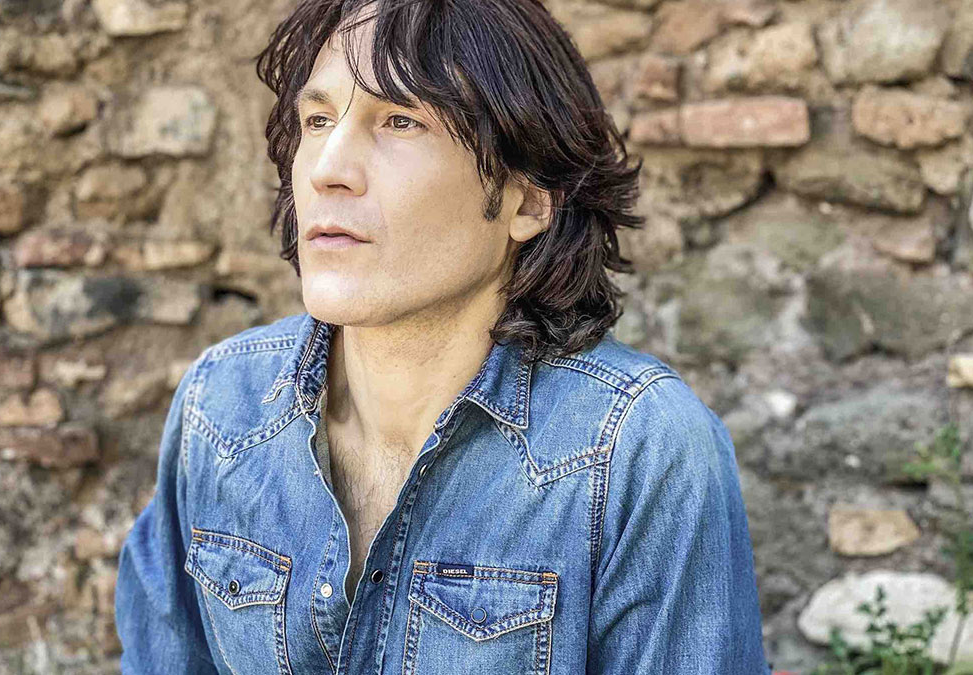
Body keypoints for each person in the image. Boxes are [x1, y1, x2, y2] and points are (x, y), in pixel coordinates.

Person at [115, 0, 771, 672]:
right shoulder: (221, 405)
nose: (326, 169)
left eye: (400, 120)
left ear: (527, 198)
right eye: (318, 120)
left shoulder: (639, 450)